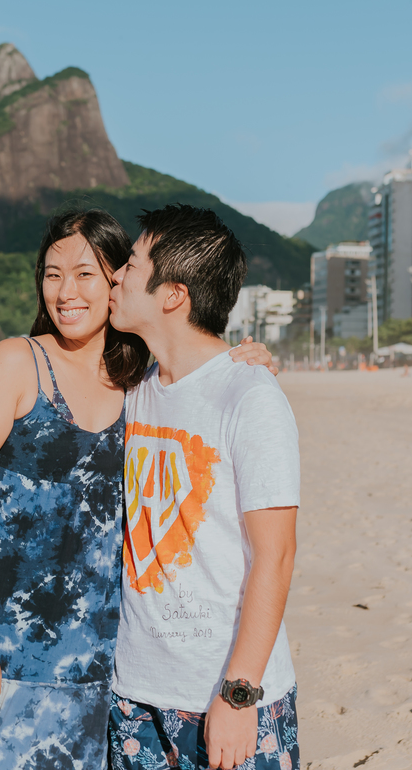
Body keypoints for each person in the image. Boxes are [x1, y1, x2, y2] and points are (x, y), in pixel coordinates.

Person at [0, 209, 273, 768]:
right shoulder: (17, 362)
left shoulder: (139, 383)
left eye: (86, 274)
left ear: (118, 282)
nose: (66, 291)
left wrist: (245, 358)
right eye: (52, 273)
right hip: (0, 660)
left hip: (98, 676)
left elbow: (201, 374)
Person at [106, 205, 300, 770]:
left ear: (173, 294)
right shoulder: (133, 388)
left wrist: (240, 694)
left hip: (225, 693)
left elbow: (277, 553)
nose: (117, 274)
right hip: (135, 693)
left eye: (133, 263)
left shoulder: (250, 397)